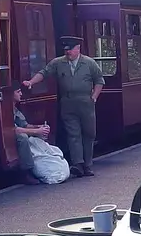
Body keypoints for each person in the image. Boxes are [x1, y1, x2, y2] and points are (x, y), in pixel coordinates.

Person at [22, 35, 104, 177]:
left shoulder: (89, 63)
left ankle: (88, 164)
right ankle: (78, 164)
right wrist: (31, 82)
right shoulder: (58, 63)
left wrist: (94, 97)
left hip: (86, 103)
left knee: (89, 133)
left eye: (70, 49)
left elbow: (99, 81)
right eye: (66, 50)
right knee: (73, 134)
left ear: (78, 49)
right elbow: (44, 73)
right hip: (68, 102)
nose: (67, 52)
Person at [11, 86, 52, 183]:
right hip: (9, 138)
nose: (21, 94)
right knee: (23, 137)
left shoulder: (15, 109)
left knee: (37, 135)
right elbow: (15, 130)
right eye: (18, 91)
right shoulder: (5, 110)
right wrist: (37, 131)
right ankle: (26, 172)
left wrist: (39, 127)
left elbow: (24, 125)